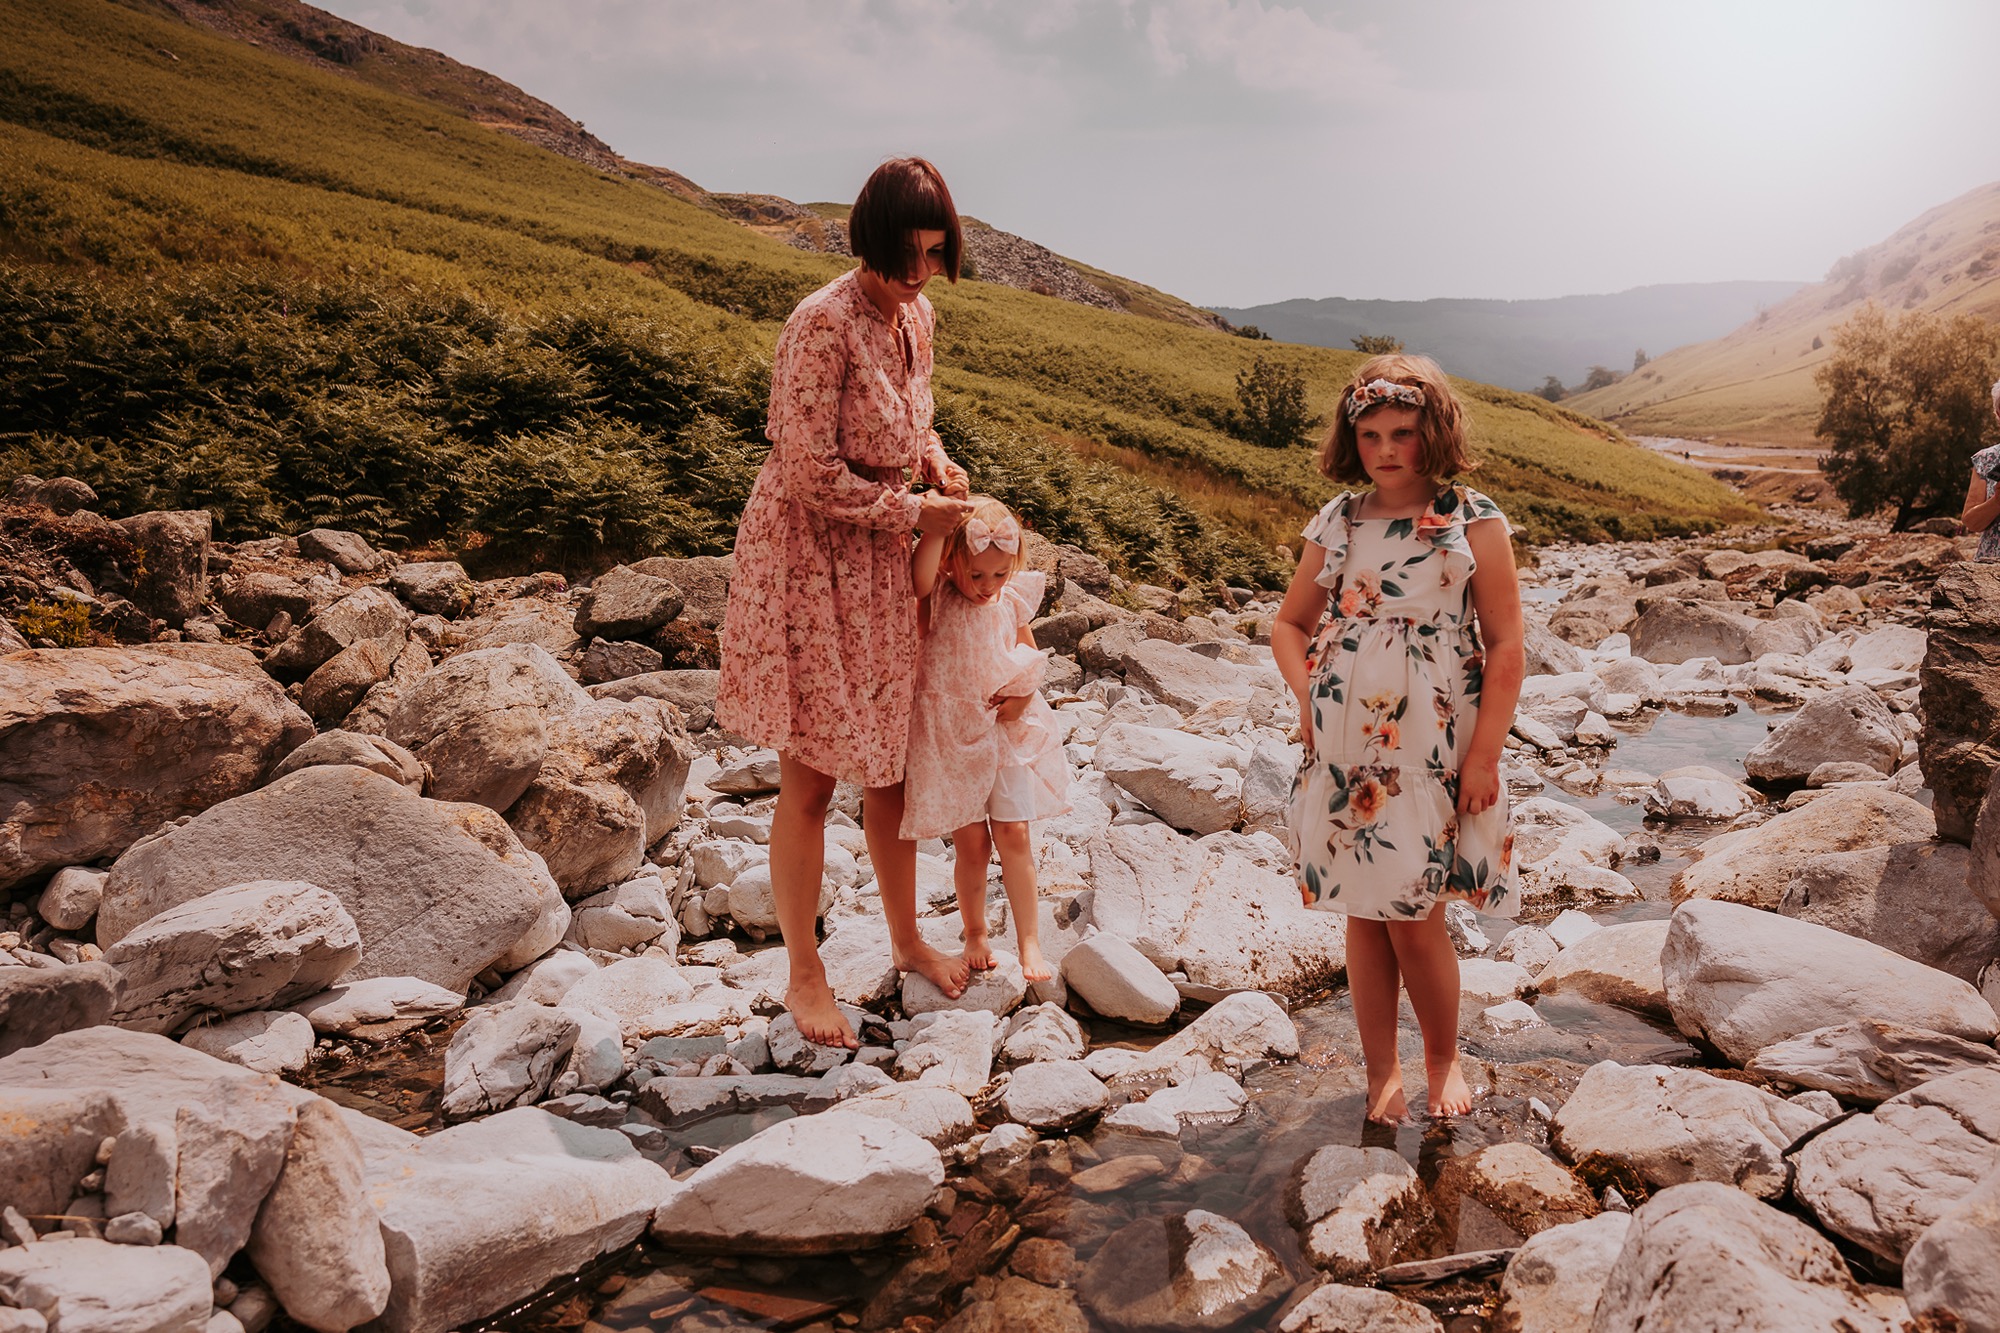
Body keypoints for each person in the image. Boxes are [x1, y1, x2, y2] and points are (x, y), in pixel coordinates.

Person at [715, 157, 978, 1048]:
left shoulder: (918, 317)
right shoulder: (819, 325)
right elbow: (807, 470)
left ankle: (905, 940)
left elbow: (915, 416)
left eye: (935, 257)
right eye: (908, 256)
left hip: (877, 558)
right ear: (870, 239)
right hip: (812, 557)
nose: (920, 275)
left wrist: (933, 460)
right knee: (814, 773)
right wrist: (916, 508)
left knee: (893, 763)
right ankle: (803, 973)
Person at [1271, 353, 1525, 1124]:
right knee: (1365, 913)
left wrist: (1484, 755)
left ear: (1432, 432)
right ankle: (1381, 1071)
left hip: (1434, 746)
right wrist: (1310, 698)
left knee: (1417, 916)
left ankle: (1443, 1057)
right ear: (1353, 438)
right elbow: (1288, 625)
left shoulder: (1472, 519)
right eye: (1372, 433)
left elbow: (1507, 645)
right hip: (1349, 745)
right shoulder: (1340, 519)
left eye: (1403, 432)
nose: (1385, 448)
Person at [899, 496, 1070, 982]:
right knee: (972, 845)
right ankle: (974, 931)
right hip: (952, 736)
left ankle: (1029, 940)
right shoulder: (939, 595)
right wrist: (942, 523)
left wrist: (1022, 697)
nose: (987, 587)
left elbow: (1028, 656)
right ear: (954, 561)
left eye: (998, 575)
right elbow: (923, 573)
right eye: (977, 575)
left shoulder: (1011, 599)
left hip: (1004, 730)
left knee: (1014, 834)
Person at [1959, 378, 2000, 561]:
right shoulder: (1986, 459)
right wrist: (1997, 501)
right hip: (1991, 570)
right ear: (1998, 414)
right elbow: (1971, 522)